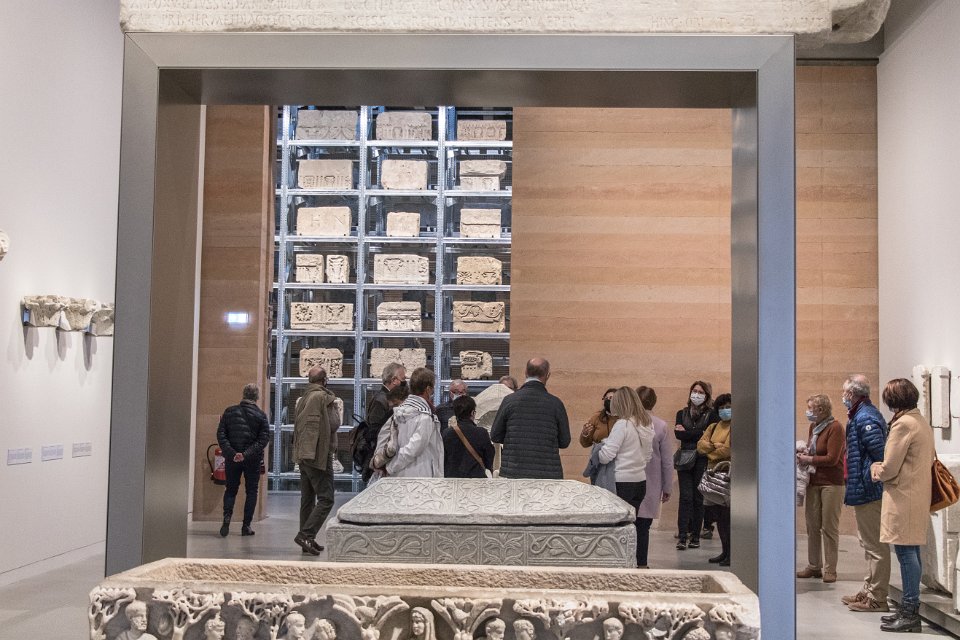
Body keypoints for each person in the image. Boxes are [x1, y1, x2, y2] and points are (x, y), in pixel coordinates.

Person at [869, 378, 935, 632]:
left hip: (903, 496)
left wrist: (875, 469)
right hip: (915, 495)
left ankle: (909, 612)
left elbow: (890, 467)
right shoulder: (919, 421)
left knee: (906, 555)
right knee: (911, 552)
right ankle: (909, 608)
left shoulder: (903, 424)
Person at [840, 374, 891, 613]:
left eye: (845, 392)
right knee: (867, 543)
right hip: (862, 488)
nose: (843, 396)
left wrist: (868, 478)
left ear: (852, 394)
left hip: (869, 488)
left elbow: (880, 453)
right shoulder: (859, 415)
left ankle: (878, 597)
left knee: (875, 545)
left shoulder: (865, 417)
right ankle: (869, 589)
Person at [597, 387, 655, 565]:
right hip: (640, 481)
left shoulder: (622, 424)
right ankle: (636, 562)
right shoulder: (646, 423)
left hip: (621, 481)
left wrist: (601, 447)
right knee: (633, 526)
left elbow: (606, 456)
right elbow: (648, 455)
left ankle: (620, 563)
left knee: (618, 529)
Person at [491, 357, 571, 479]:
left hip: (513, 471)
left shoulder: (509, 400)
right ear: (547, 375)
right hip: (548, 473)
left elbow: (495, 435)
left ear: (526, 372)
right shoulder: (556, 404)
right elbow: (564, 441)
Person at [796, 394, 845, 584]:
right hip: (813, 482)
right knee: (812, 525)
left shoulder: (835, 428)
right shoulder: (813, 427)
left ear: (821, 410)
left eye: (810, 408)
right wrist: (804, 453)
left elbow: (832, 458)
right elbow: (815, 450)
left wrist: (809, 459)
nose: (808, 412)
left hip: (831, 483)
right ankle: (814, 565)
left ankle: (830, 569)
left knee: (829, 527)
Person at [292, 366, 340, 556]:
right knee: (326, 498)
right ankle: (306, 535)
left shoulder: (304, 398)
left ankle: (307, 541)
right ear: (324, 380)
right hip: (318, 455)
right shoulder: (323, 397)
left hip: (303, 454)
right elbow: (334, 424)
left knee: (307, 499)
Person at [215, 383, 270, 537]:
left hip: (232, 459)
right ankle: (246, 526)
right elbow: (263, 439)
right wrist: (246, 454)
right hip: (252, 460)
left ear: (243, 394)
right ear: (257, 397)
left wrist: (231, 453)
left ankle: (227, 518)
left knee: (230, 489)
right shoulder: (261, 416)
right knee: (251, 491)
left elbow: (221, 434)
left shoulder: (229, 412)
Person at [674, 380, 718, 550]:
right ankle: (682, 535)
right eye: (694, 391)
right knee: (685, 497)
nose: (697, 394)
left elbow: (709, 437)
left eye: (701, 392)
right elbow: (679, 435)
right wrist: (698, 434)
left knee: (698, 499)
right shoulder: (681, 413)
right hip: (684, 459)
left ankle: (695, 536)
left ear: (706, 396)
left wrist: (689, 433)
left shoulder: (712, 415)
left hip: (701, 459)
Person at [635, 385, 672, 568]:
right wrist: (667, 487)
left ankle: (626, 562)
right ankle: (642, 563)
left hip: (627, 481)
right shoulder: (661, 426)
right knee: (644, 526)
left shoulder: (626, 423)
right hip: (652, 483)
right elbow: (667, 461)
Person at [385, 367, 444, 478]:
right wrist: (391, 467)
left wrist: (390, 467)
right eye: (433, 388)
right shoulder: (424, 417)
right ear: (428, 389)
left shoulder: (398, 412)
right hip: (420, 476)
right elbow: (413, 448)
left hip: (399, 475)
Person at [697, 393, 731, 566]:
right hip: (711, 475)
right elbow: (700, 446)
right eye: (722, 408)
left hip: (726, 475)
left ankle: (731, 552)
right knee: (718, 517)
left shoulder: (736, 427)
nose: (725, 410)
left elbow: (728, 450)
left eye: (728, 407)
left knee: (727, 516)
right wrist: (713, 446)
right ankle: (724, 551)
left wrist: (711, 451)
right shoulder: (713, 426)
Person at [359, 363, 407, 482]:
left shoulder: (384, 398)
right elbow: (374, 431)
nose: (405, 383)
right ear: (394, 380)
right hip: (380, 455)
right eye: (403, 379)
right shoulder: (381, 400)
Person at [443, 395, 495, 478]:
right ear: (472, 413)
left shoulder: (447, 433)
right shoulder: (482, 433)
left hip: (452, 479)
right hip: (476, 479)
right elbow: (489, 459)